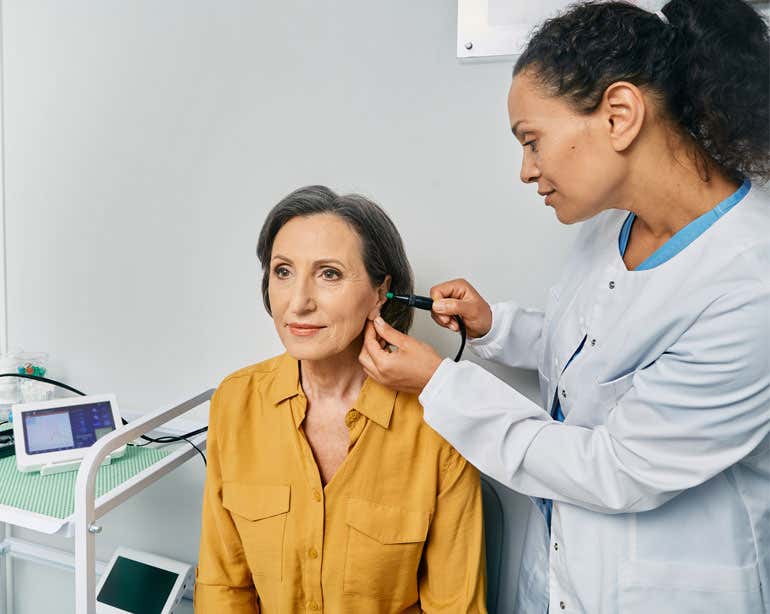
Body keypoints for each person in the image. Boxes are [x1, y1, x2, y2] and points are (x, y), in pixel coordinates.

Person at [359, 2, 770, 613]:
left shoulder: (750, 283)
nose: (527, 171)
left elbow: (617, 468)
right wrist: (496, 327)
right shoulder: (613, 224)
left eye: (532, 141)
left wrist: (440, 386)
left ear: (620, 115)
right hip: (566, 571)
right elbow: (602, 344)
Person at [194, 185, 487, 613]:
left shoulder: (438, 419)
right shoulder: (235, 403)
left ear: (380, 292)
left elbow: (454, 606)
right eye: (283, 271)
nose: (299, 303)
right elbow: (224, 587)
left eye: (329, 273)